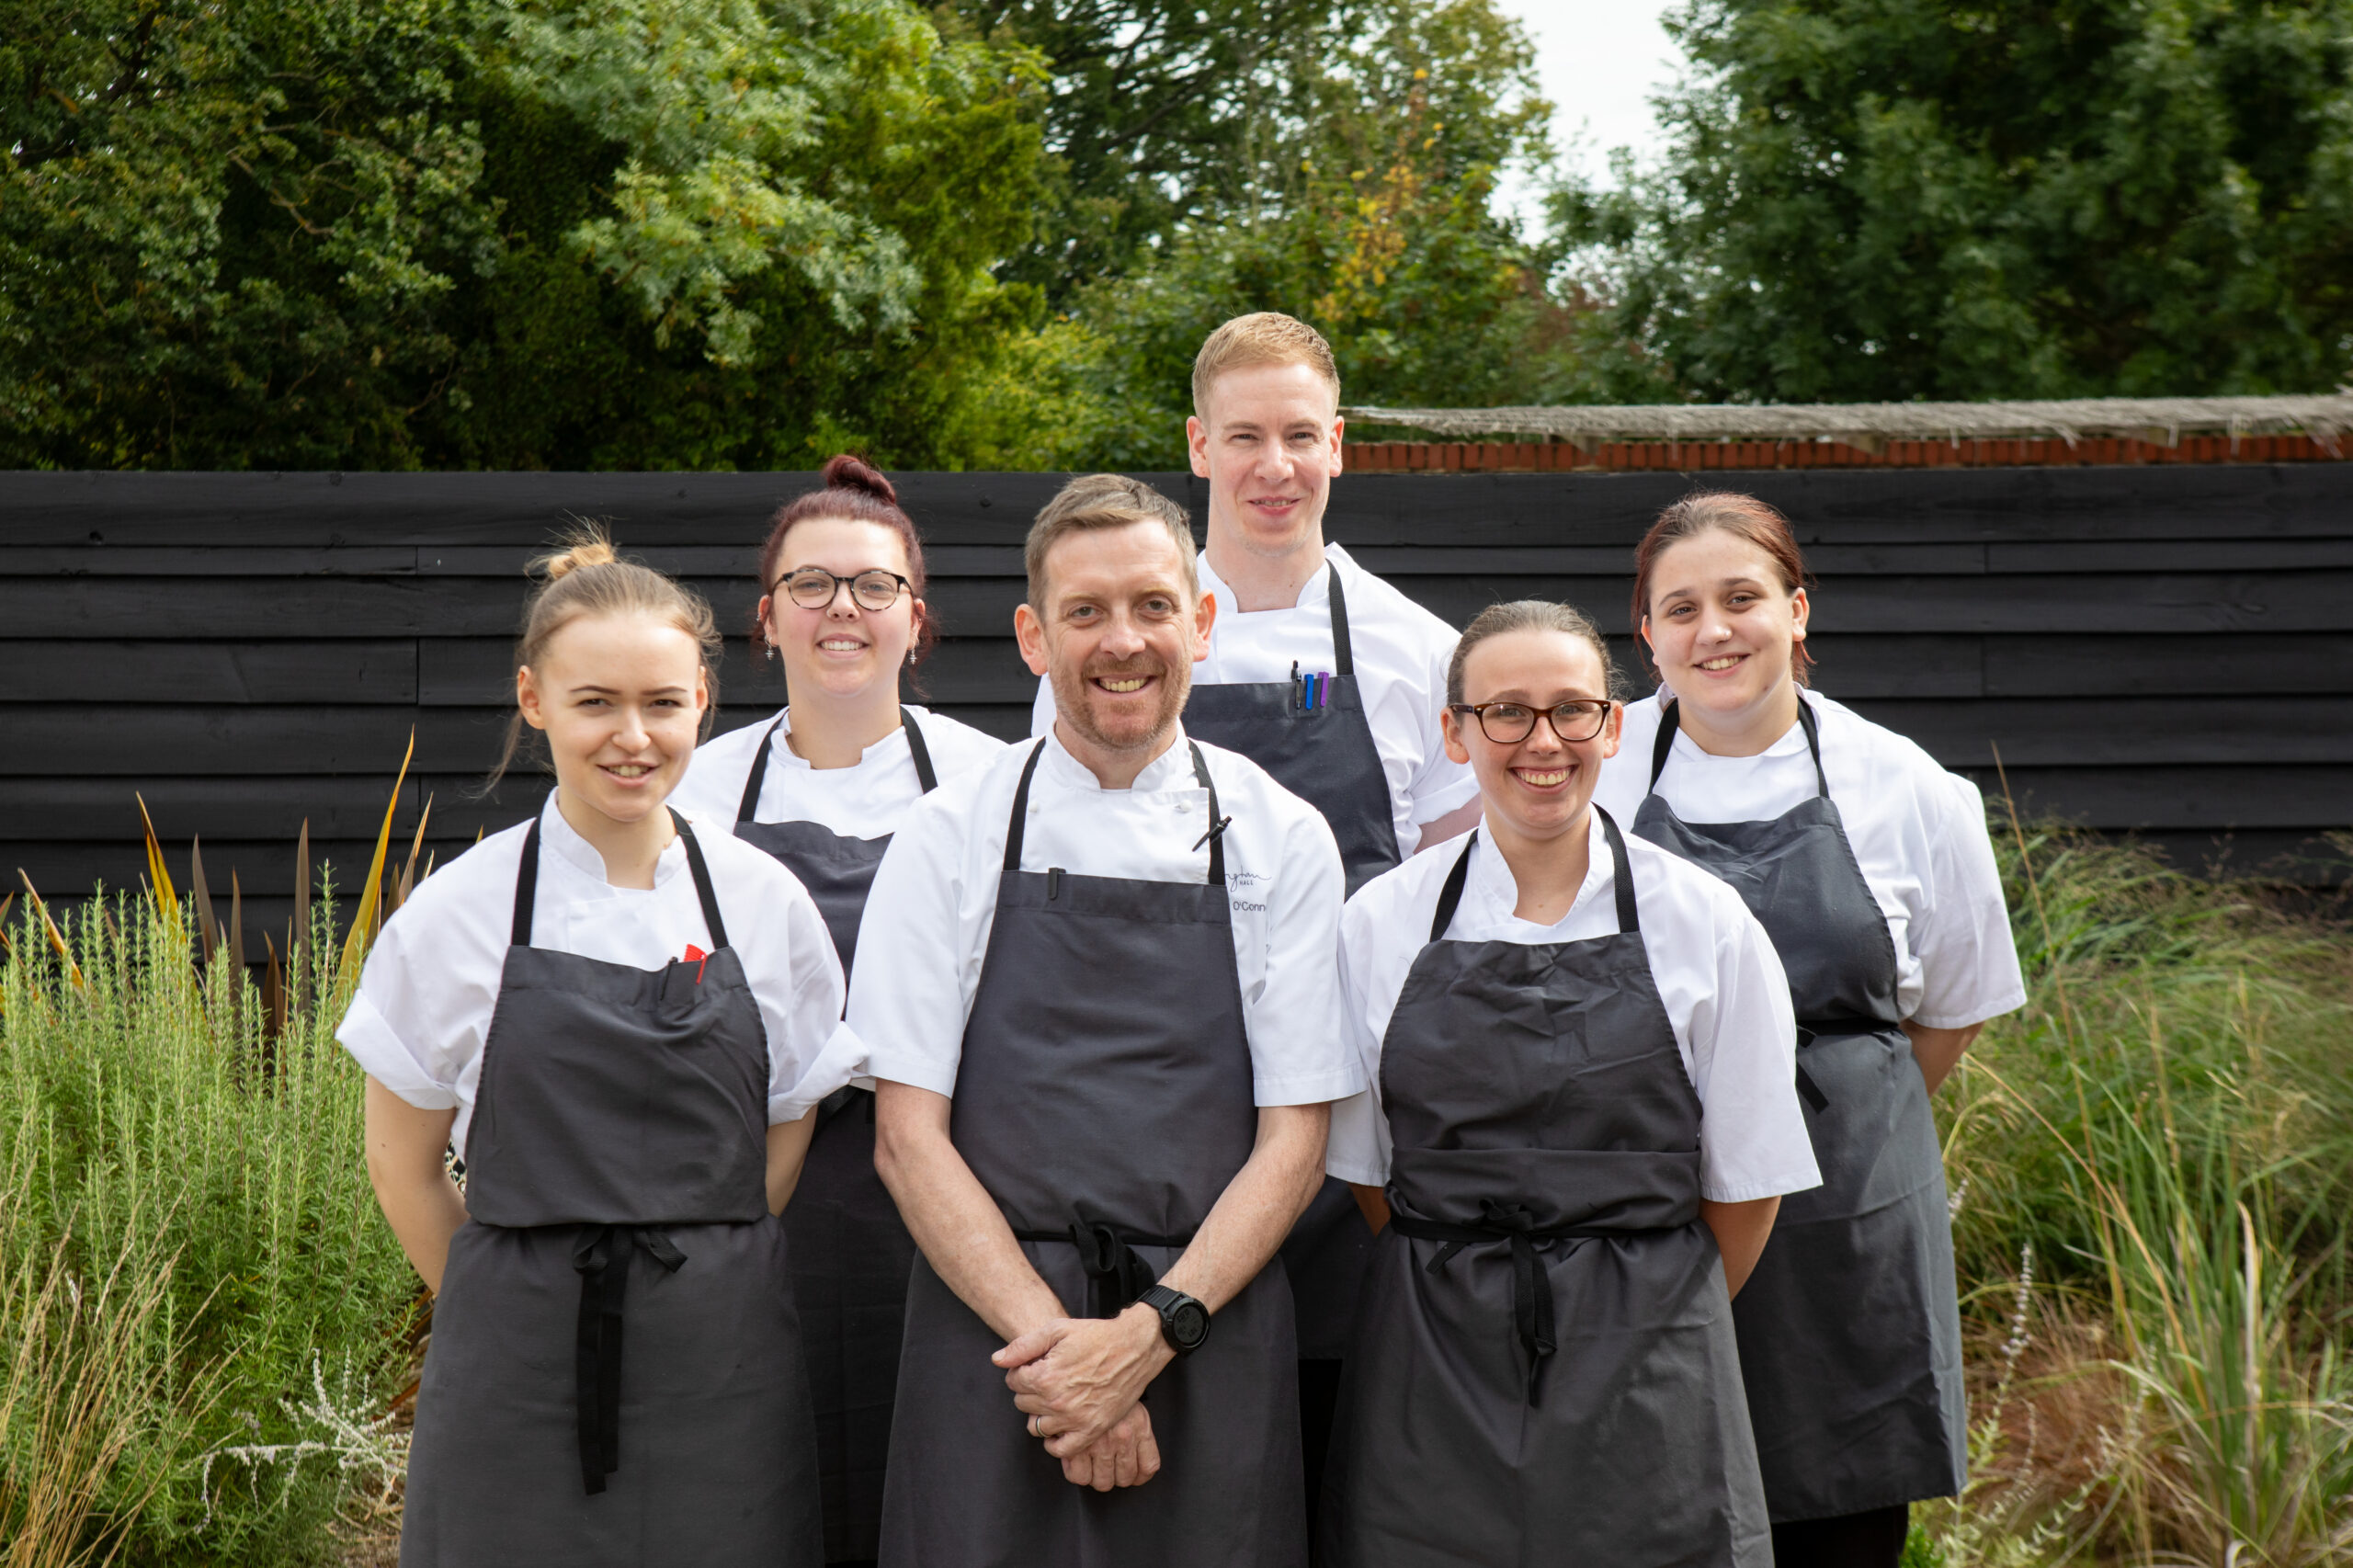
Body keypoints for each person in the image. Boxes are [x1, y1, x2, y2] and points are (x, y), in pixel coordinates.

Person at [854, 476, 1358, 1566]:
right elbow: (905, 1137)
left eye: (1151, 605)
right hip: (993, 1337)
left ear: (1203, 620)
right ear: (1034, 635)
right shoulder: (949, 834)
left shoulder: (1283, 836)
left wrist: (1145, 1339)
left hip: (1204, 1332)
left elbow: (1296, 1141)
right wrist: (1063, 1363)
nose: (1120, 641)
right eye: (1084, 611)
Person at [342, 535, 860, 1567]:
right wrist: (508, 1309)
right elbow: (401, 1163)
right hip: (516, 1370)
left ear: (703, 700)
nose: (633, 736)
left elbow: (792, 1111)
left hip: (723, 1361)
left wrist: (712, 1261)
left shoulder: (766, 903)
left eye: (662, 702)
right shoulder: (459, 913)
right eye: (595, 703)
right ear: (533, 699)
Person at [1027, 315, 1477, 1495]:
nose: (1272, 466)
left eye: (1297, 435)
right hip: (1153, 1100)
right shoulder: (1117, 642)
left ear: (1339, 445)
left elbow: (1445, 904)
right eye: (1243, 436)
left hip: (1349, 1105)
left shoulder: (1416, 654)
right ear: (1196, 445)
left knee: (1335, 1417)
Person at [1322, 600, 1820, 1568]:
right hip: (1431, 1364)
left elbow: (1746, 1188)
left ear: (1613, 725)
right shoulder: (1376, 924)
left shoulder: (1707, 924)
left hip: (1651, 1365)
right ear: (1454, 733)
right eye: (1504, 711)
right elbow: (1368, 1175)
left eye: (1571, 710)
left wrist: (1635, 1299)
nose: (1541, 740)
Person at [1592, 493, 2028, 1568]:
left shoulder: (1911, 790)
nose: (1715, 630)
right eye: (1680, 607)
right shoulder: (1591, 772)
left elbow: (1954, 1008)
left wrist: (1816, 1118)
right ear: (1646, 635)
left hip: (1846, 1212)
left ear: (1795, 610)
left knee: (1840, 1512)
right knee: (1645, 1497)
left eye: (1742, 598)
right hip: (1644, 1201)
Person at [672, 456, 1005, 1567]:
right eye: (811, 585)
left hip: (956, 1183)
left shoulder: (992, 785)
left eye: (872, 586)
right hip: (756, 1189)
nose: (842, 610)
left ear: (918, 619)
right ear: (765, 620)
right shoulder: (696, 794)